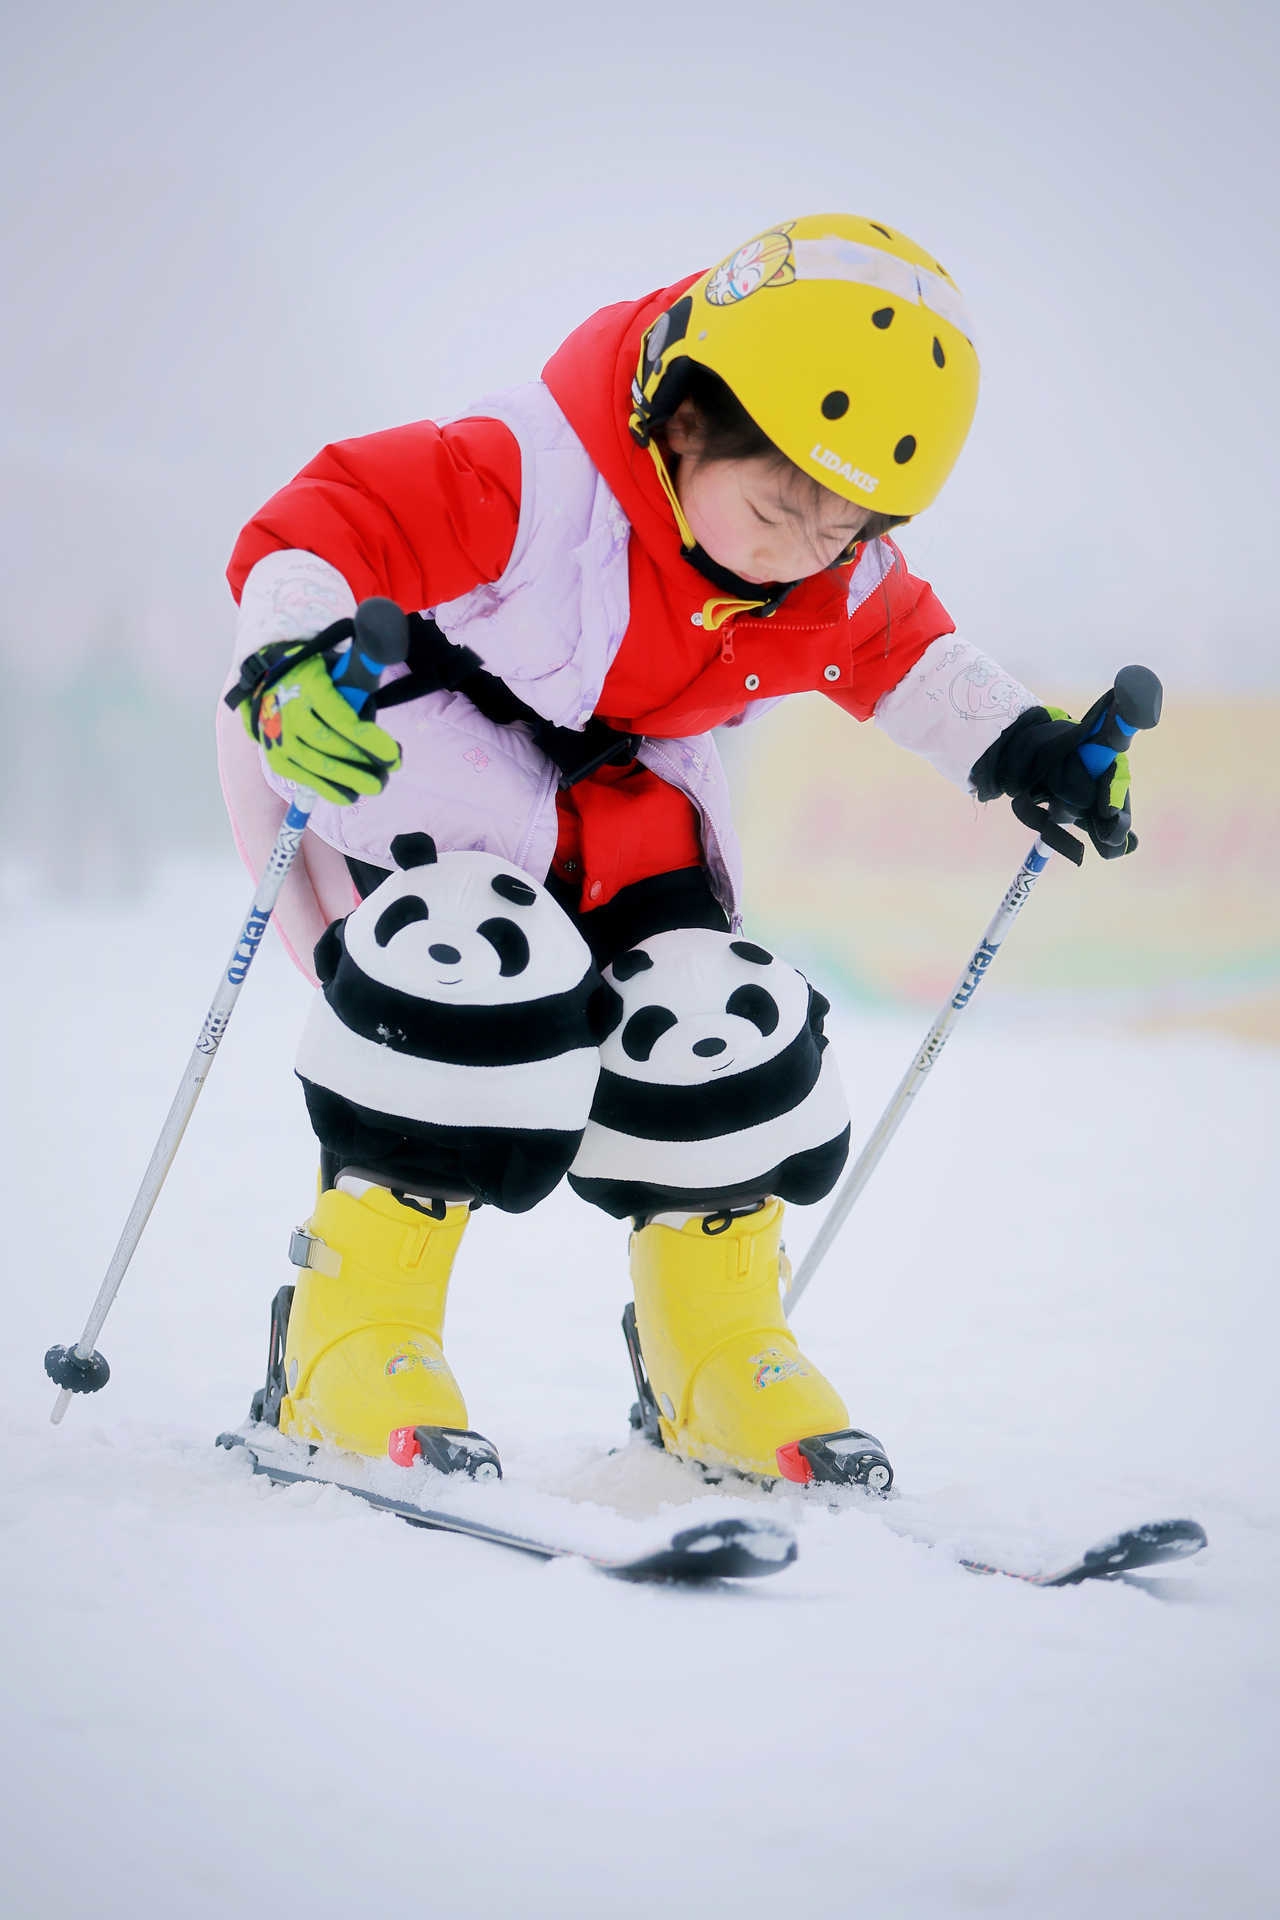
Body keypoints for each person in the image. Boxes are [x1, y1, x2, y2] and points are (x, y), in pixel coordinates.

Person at [217, 213, 1136, 1491]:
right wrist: (290, 660)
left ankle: (710, 1348)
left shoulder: (818, 571)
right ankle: (347, 1335)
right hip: (419, 769)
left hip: (624, 802)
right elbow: (326, 519)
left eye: (842, 530)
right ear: (681, 416)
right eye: (775, 507)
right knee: (465, 977)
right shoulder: (531, 473)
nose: (799, 553)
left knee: (710, 1017)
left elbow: (910, 657)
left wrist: (1032, 749)